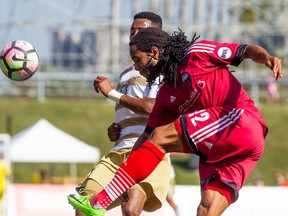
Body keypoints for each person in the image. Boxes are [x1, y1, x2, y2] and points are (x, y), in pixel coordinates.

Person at [68, 27, 282, 216]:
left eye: (137, 60)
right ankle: (102, 200)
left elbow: (243, 50)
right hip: (226, 149)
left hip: (240, 121)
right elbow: (146, 138)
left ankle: (99, 202)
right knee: (206, 210)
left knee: (162, 136)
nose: (137, 68)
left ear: (154, 52)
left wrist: (267, 58)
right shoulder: (166, 95)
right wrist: (125, 177)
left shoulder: (197, 53)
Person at [69, 12, 171, 216]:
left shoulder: (162, 68)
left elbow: (152, 107)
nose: (134, 35)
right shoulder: (127, 72)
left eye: (140, 31)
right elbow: (132, 110)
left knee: (131, 208)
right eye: (132, 31)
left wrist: (112, 93)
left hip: (149, 149)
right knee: (83, 208)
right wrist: (118, 128)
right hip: (120, 150)